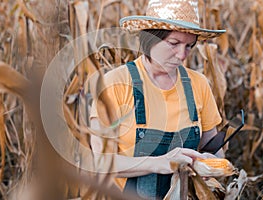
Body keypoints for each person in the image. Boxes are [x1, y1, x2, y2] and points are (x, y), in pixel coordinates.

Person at [89, 0, 226, 199]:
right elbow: (100, 162)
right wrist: (160, 163)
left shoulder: (199, 84)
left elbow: (214, 149)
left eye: (189, 46)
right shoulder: (114, 84)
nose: (182, 55)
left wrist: (209, 164)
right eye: (173, 43)